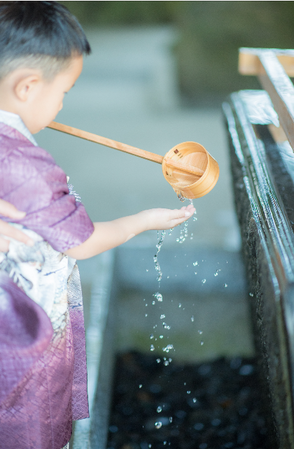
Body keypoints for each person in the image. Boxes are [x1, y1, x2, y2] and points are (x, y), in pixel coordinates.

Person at [0, 2, 195, 449]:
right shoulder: (26, 165)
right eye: (64, 90)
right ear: (27, 87)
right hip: (19, 340)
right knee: (29, 421)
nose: (63, 103)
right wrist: (142, 220)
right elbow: (82, 242)